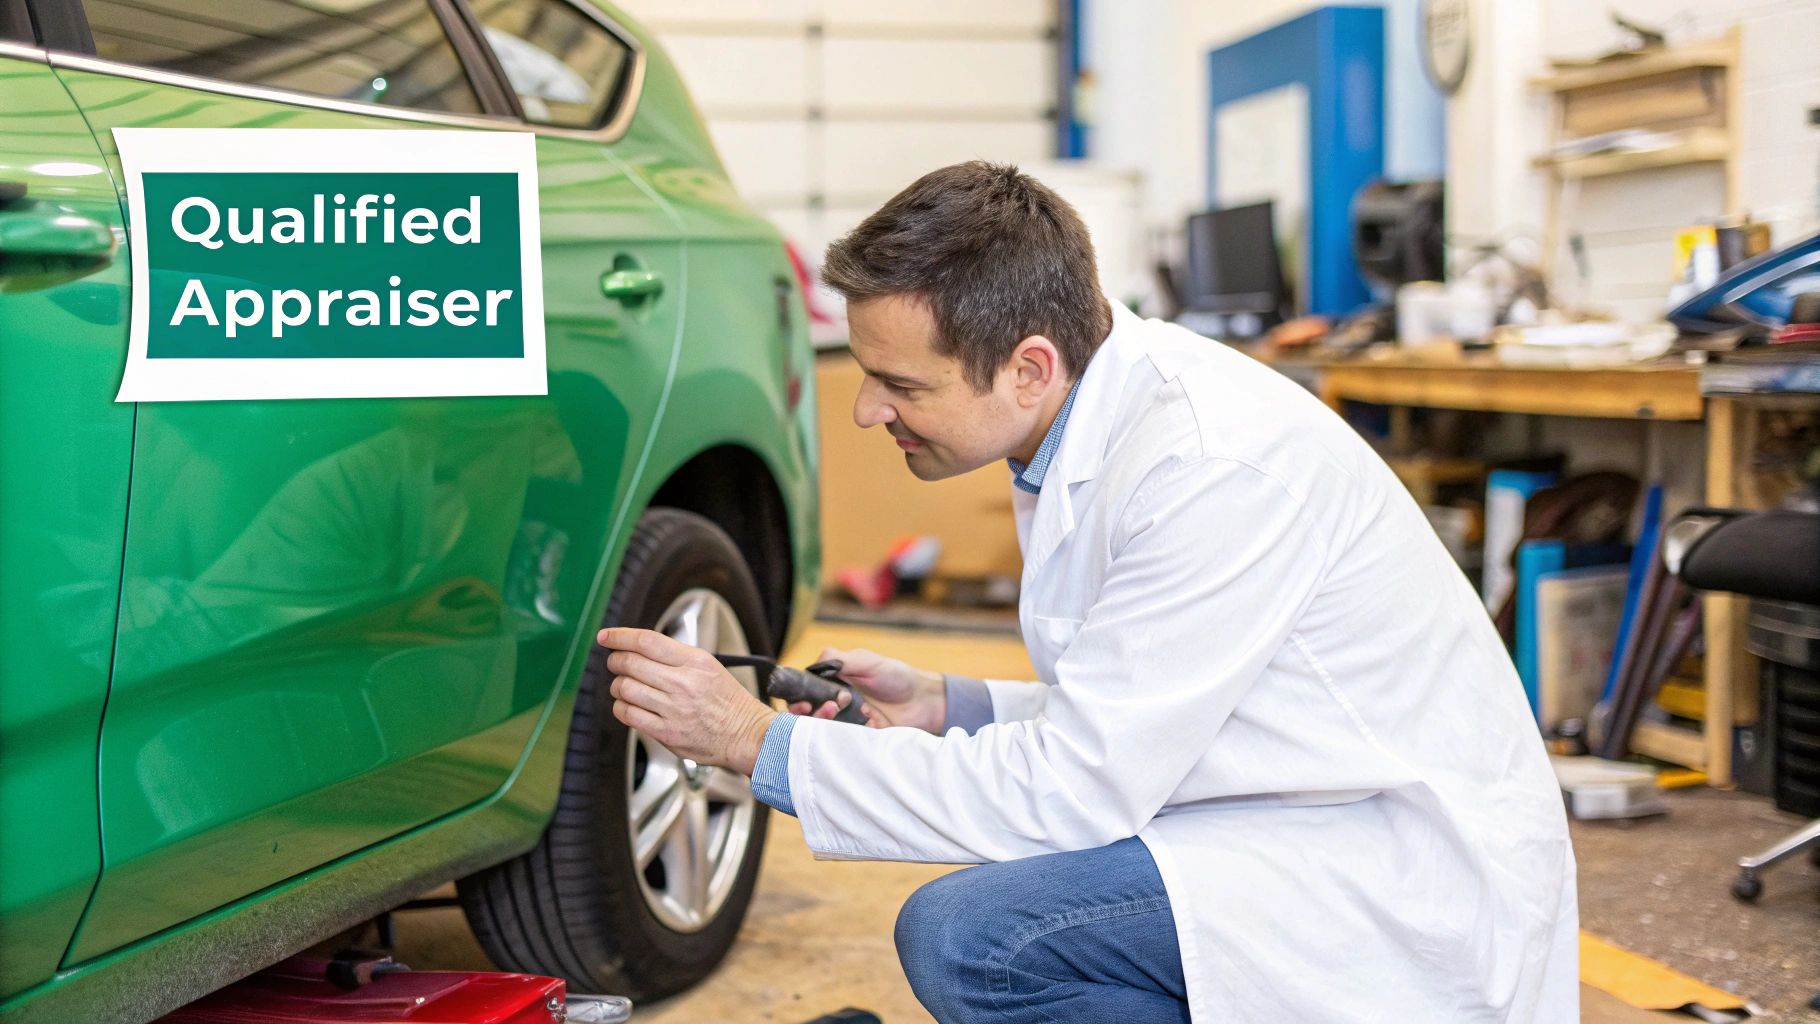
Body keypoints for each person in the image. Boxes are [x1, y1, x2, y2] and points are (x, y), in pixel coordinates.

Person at [599, 161, 1577, 1022]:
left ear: (1028, 367)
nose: (865, 410)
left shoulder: (1208, 467)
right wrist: (950, 706)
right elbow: (1148, 700)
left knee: (976, 939)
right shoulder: (1079, 423)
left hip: (1388, 865)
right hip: (1291, 809)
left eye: (900, 384)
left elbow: (1074, 790)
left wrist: (754, 742)